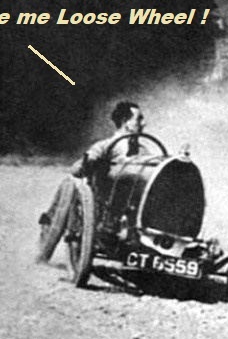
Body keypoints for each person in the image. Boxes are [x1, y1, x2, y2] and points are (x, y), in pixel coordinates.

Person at [37, 101, 147, 261]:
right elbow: (77, 170)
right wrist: (90, 162)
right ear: (125, 122)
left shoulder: (144, 151)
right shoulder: (105, 146)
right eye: (139, 119)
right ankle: (49, 236)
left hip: (136, 204)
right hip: (107, 204)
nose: (144, 123)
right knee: (70, 183)